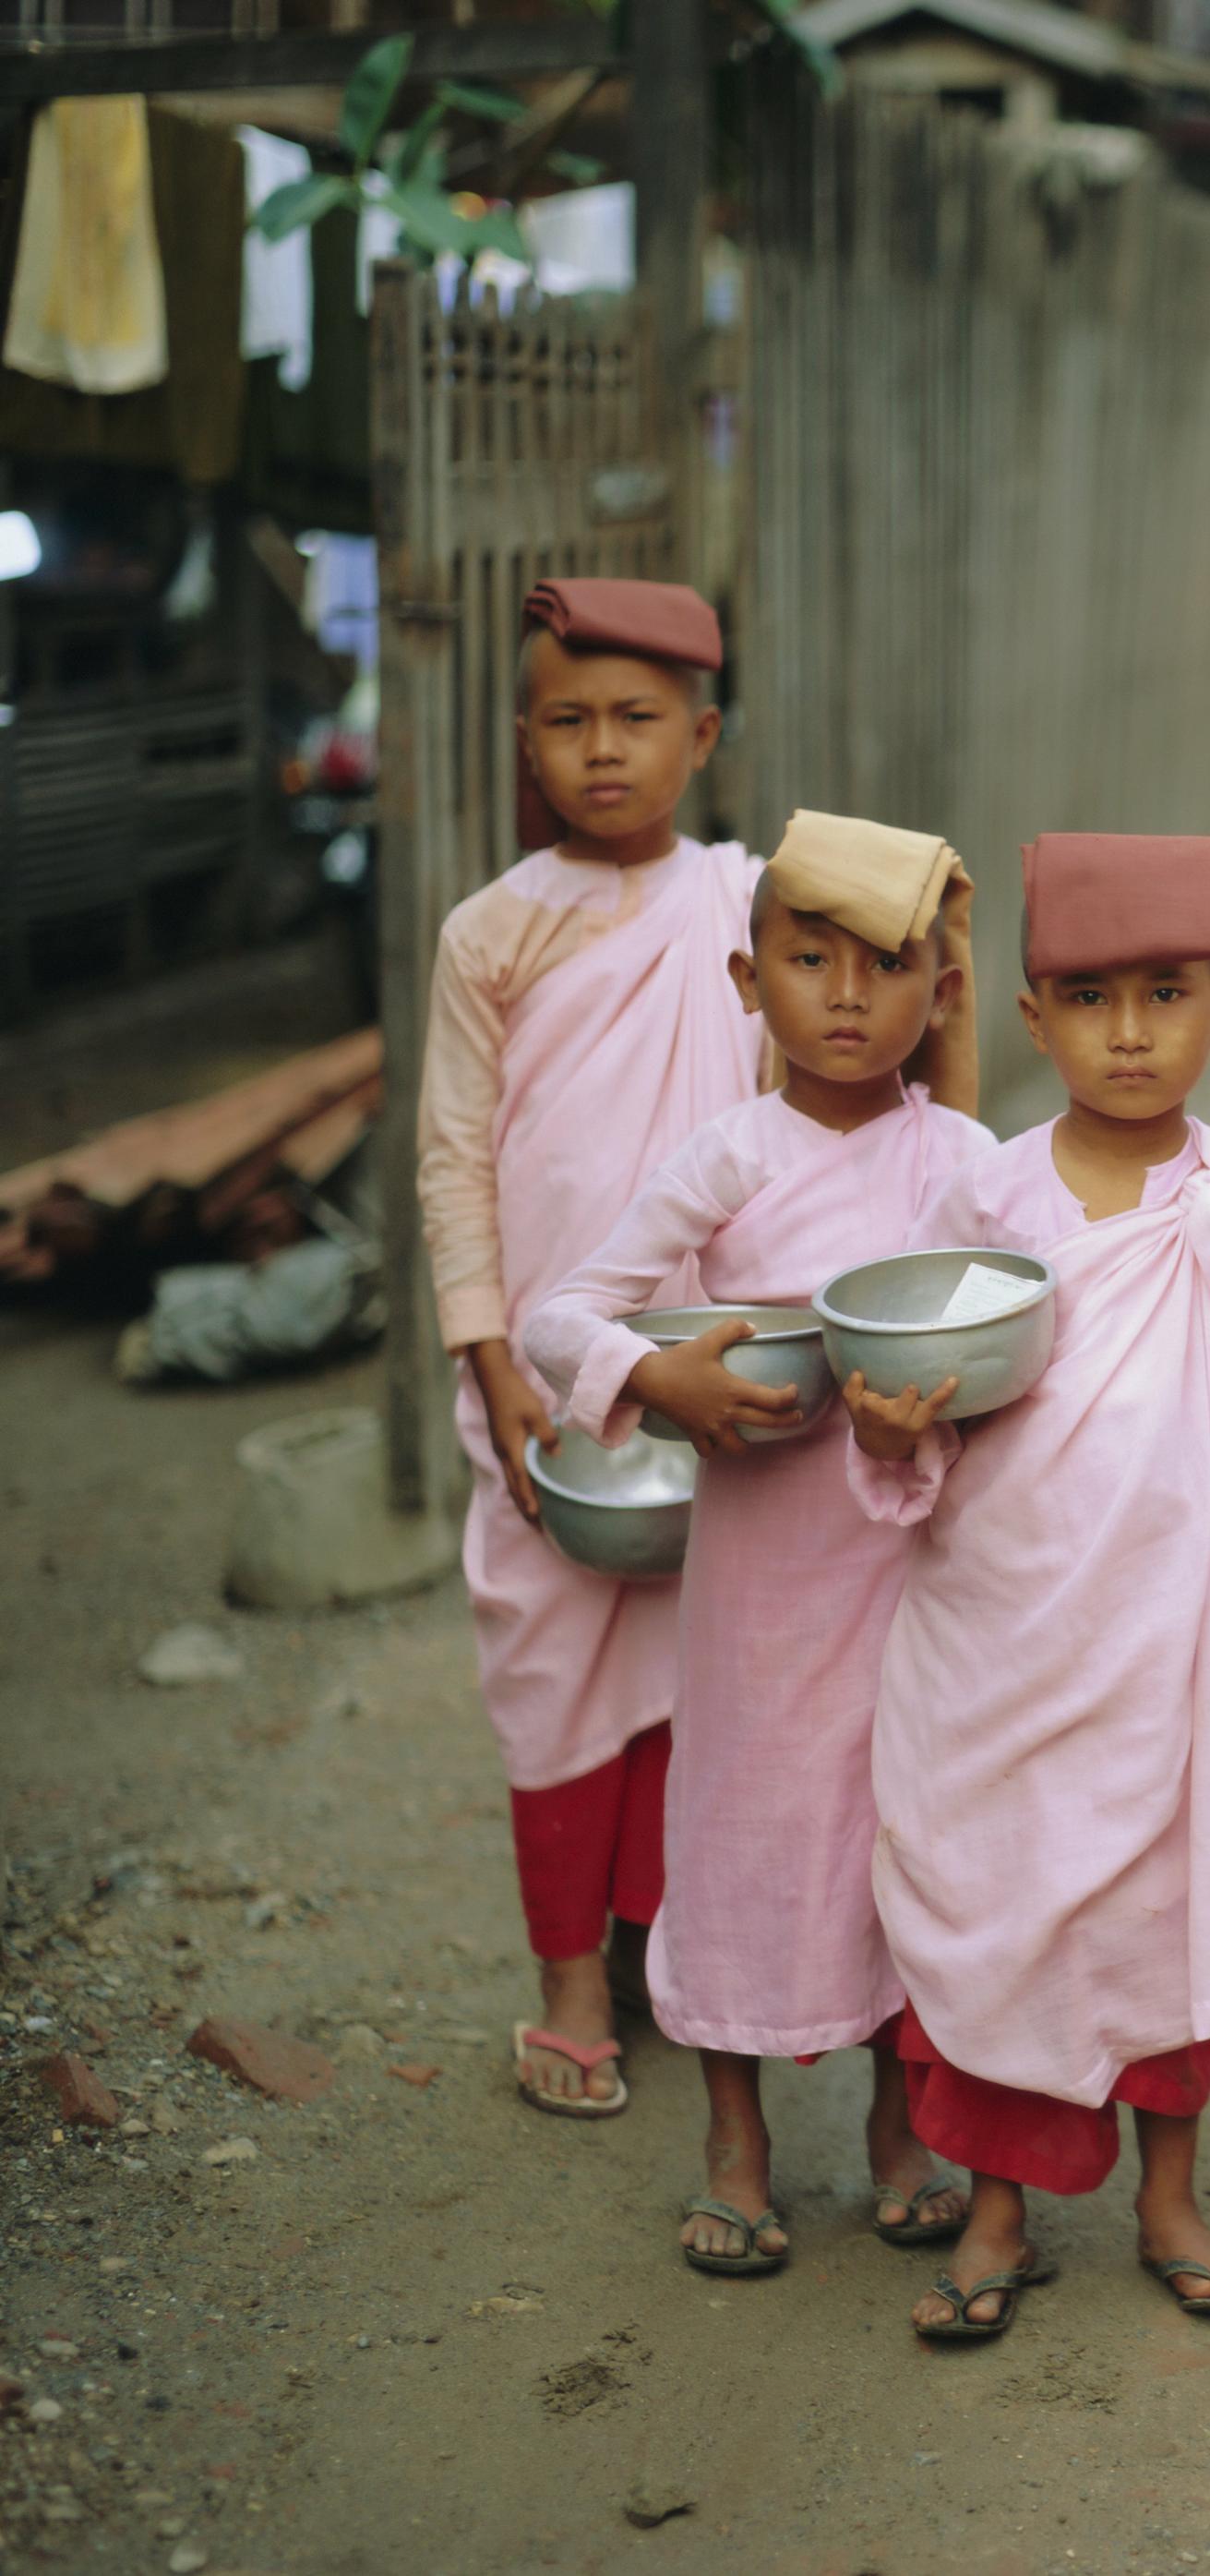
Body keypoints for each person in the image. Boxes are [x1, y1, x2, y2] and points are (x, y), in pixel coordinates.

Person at [845, 832, 1210, 2341]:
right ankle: (996, 2212)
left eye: (1165, 994)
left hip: (1165, 1642)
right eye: (1090, 998)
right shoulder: (992, 1199)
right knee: (995, 1907)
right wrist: (888, 1426)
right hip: (994, 1631)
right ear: (1034, 1015)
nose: (1131, 1033)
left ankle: (1167, 2196)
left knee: (1158, 1916)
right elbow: (924, 1388)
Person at [521, 813, 988, 2276]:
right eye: (807, 958)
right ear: (747, 979)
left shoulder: (965, 1161)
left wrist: (919, 1424)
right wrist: (659, 1379)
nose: (846, 995)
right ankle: (736, 2139)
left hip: (912, 1568)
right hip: (758, 1583)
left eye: (887, 964)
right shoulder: (723, 1154)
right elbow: (558, 1315)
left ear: (940, 988)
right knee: (741, 1831)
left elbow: (1015, 1342)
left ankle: (898, 2129)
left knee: (902, 1828)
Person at [419, 576, 762, 2121]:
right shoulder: (489, 933)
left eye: (636, 720)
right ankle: (569, 1986)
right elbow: (453, 1163)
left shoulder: (747, 909)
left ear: (702, 735)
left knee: (695, 1676)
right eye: (567, 722)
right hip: (546, 1387)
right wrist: (488, 1357)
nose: (601, 752)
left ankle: (647, 1947)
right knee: (553, 1671)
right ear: (524, 742)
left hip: (705, 1359)